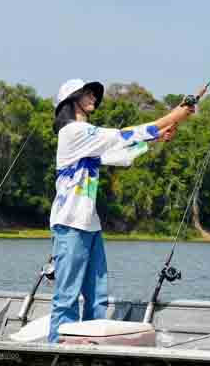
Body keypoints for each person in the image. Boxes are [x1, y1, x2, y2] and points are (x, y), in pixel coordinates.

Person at [48, 79, 200, 342]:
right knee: (67, 295)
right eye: (87, 94)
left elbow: (119, 154)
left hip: (89, 225)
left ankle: (92, 342)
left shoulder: (87, 140)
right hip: (69, 224)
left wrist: (156, 137)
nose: (94, 98)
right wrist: (173, 115)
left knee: (97, 295)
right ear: (71, 100)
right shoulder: (72, 133)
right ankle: (57, 343)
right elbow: (120, 135)